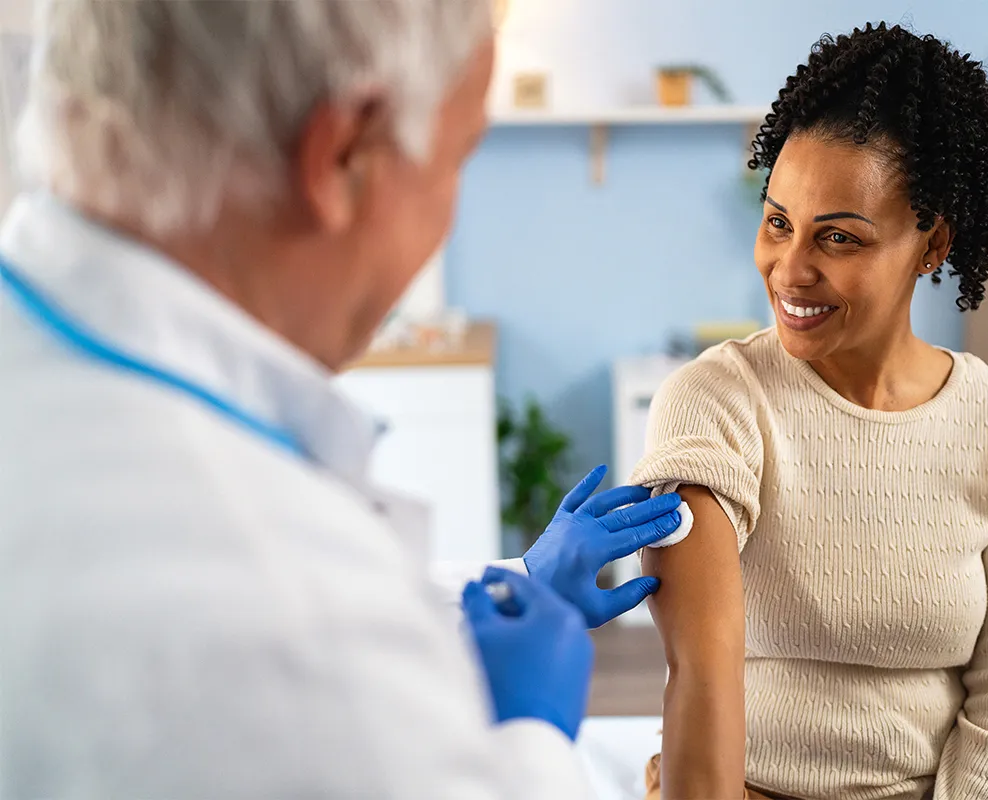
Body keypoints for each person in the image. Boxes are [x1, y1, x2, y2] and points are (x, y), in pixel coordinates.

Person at [0, 2, 683, 798]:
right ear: (343, 155)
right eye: (459, 159)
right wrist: (532, 736)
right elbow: (311, 647)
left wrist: (513, 581)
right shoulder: (290, 611)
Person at [631, 22, 988, 800]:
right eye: (778, 222)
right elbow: (701, 665)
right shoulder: (716, 402)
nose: (790, 269)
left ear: (931, 247)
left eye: (840, 239)